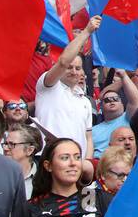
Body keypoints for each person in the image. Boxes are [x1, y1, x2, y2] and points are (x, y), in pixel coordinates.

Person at [35, 15, 100, 158]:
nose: (73, 71)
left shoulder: (85, 101)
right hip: (48, 158)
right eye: (70, 68)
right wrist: (87, 31)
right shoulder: (48, 85)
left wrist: (87, 162)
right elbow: (64, 61)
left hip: (75, 165)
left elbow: (88, 137)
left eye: (78, 68)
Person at [3, 122, 43, 198]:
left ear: (29, 150)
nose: (5, 148)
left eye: (11, 144)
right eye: (5, 143)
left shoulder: (44, 178)